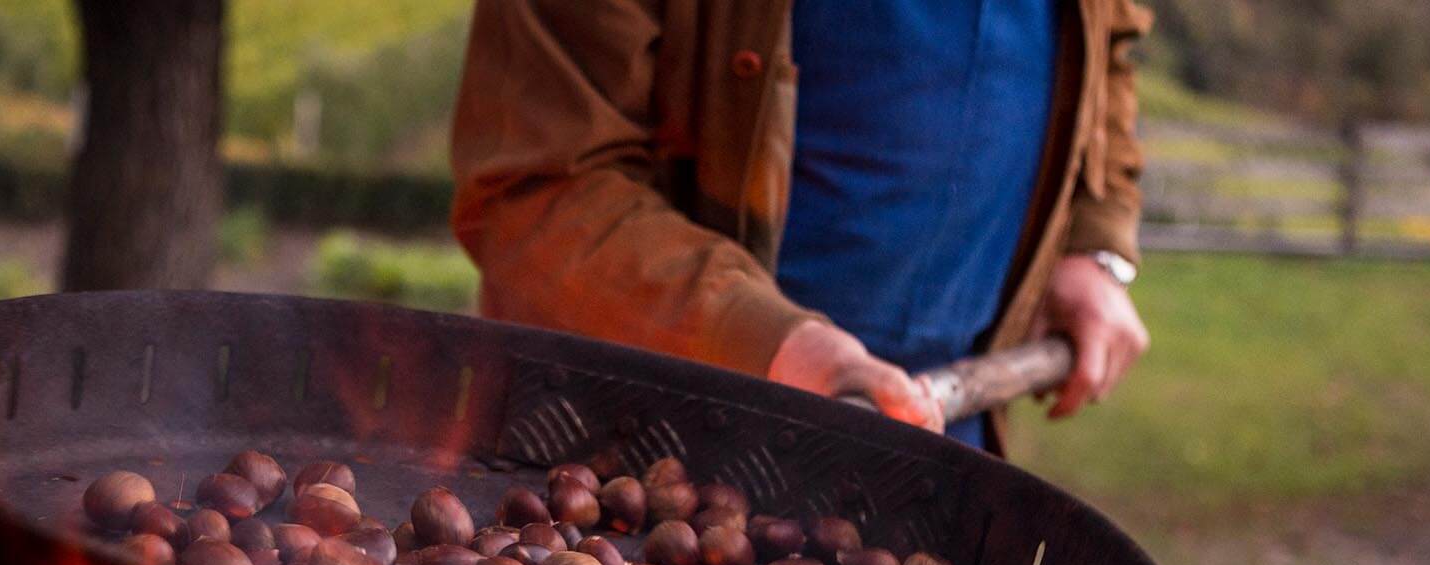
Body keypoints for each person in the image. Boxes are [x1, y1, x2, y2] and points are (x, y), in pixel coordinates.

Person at [449, 0, 1152, 451]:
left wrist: (1093, 239)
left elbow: (1108, 41)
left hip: (944, 440)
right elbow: (538, 189)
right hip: (641, 459)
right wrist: (770, 341)